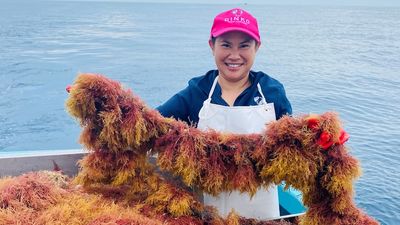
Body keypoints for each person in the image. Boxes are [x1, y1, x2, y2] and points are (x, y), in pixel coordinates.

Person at [157, 8, 292, 220]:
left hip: (262, 213)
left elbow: (292, 145)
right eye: (226, 44)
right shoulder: (197, 91)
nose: (234, 55)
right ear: (212, 46)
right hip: (206, 212)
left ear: (257, 47)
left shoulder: (272, 92)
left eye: (244, 45)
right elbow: (153, 124)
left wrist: (323, 138)